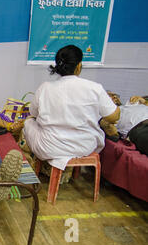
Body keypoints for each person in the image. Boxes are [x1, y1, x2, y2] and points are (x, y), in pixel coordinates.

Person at [22, 45, 120, 178]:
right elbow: (114, 117)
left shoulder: (45, 88)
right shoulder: (94, 88)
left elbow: (33, 114)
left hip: (49, 147)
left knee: (28, 121)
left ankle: (37, 165)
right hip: (84, 146)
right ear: (79, 66)